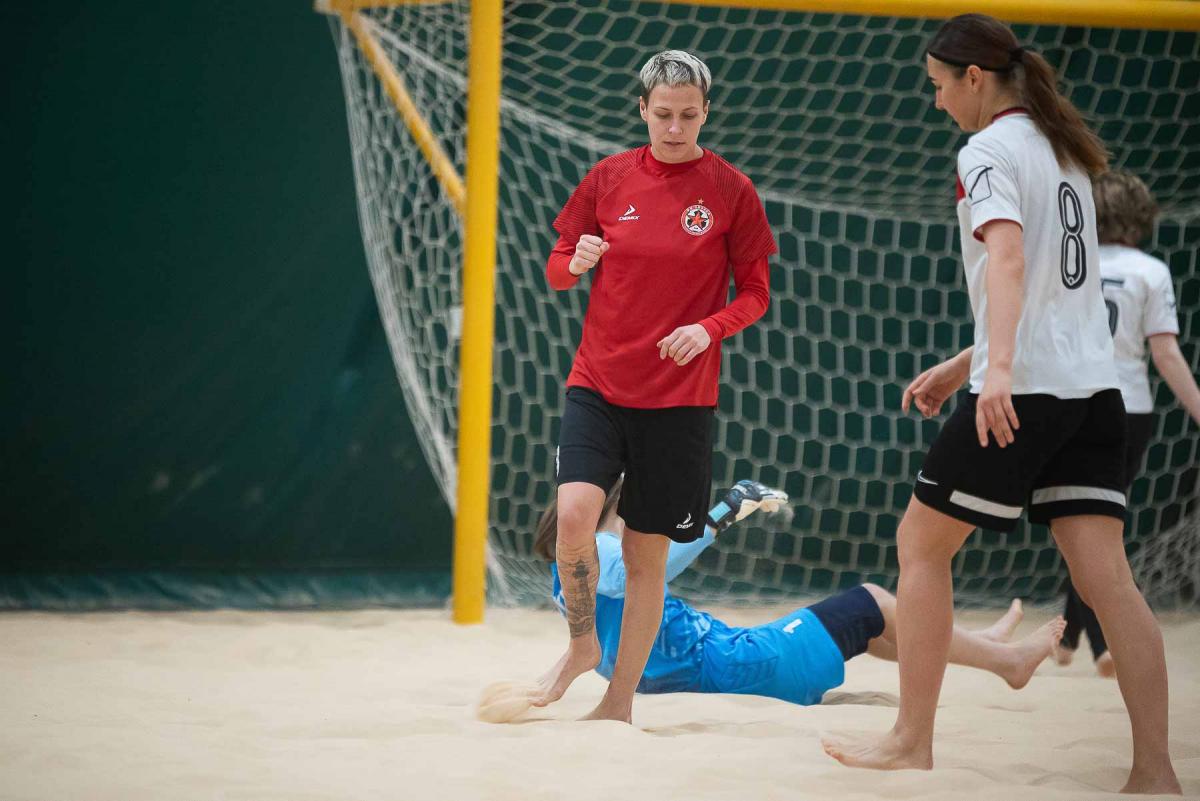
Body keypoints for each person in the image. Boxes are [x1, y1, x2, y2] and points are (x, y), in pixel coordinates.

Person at [820, 15, 1181, 794]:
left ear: (975, 79)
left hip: (1028, 389)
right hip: (1096, 390)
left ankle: (911, 740)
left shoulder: (987, 150)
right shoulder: (1066, 151)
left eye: (939, 85)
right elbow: (1057, 286)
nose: (938, 101)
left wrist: (998, 373)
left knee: (920, 545)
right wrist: (968, 363)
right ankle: (1155, 769)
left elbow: (1010, 259)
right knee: (1110, 583)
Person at [533, 50, 777, 723]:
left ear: (706, 112)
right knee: (575, 517)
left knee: (646, 556)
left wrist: (708, 328)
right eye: (663, 114)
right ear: (642, 109)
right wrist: (575, 262)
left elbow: (756, 293)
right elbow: (556, 269)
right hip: (599, 382)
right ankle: (582, 645)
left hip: (679, 400)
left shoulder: (731, 190)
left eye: (688, 115)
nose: (675, 127)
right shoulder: (608, 178)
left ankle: (618, 703)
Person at [534, 478, 1065, 705]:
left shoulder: (569, 570)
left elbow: (602, 623)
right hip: (738, 665)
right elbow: (641, 572)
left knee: (873, 631)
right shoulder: (602, 551)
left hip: (723, 664)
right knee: (871, 601)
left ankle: (982, 648)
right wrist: (724, 512)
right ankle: (1007, 661)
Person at [1054, 170, 1200, 677]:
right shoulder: (1150, 272)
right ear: (1139, 216)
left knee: (1080, 522)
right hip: (1128, 409)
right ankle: (1095, 639)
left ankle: (1073, 633)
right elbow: (1166, 354)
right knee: (1099, 525)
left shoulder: (1071, 261)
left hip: (1071, 400)